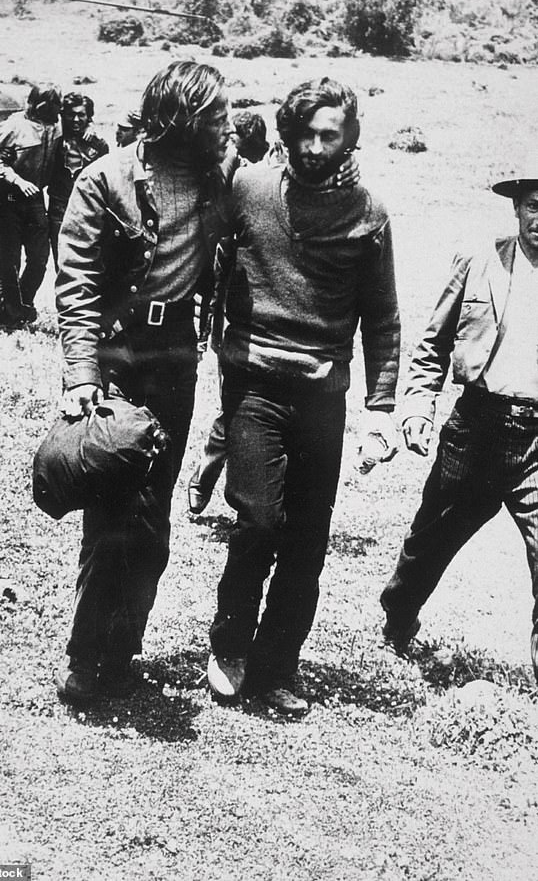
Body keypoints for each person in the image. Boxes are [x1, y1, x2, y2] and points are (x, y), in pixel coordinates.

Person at [207, 77, 401, 715]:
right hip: (254, 383)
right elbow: (202, 257)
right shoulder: (248, 187)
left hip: (323, 394)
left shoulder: (369, 213)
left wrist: (379, 408)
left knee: (308, 538)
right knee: (259, 519)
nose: (318, 147)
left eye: (332, 134)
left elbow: (382, 317)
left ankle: (278, 667)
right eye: (307, 133)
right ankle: (230, 643)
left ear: (349, 139)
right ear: (287, 133)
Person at [53, 61, 235, 702]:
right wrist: (81, 372)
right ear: (180, 122)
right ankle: (85, 659)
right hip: (115, 360)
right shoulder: (104, 181)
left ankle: (123, 649)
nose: (227, 126)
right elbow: (75, 284)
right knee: (111, 510)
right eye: (215, 116)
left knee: (152, 514)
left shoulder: (222, 178)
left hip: (174, 360)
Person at [380, 168, 538, 684]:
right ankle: (398, 617)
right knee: (433, 538)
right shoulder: (479, 260)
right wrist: (418, 408)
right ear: (516, 208)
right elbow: (432, 345)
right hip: (478, 427)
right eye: (534, 205)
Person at [187, 110, 270, 515]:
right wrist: (209, 331)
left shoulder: (269, 179)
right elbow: (216, 272)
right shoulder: (222, 180)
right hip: (233, 317)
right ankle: (205, 476)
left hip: (272, 319)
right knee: (233, 405)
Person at [0, 83, 62, 328]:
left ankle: (21, 305)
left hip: (35, 199)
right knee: (10, 262)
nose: (56, 112)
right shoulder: (13, 125)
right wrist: (16, 180)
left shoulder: (56, 125)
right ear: (37, 105)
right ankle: (7, 316)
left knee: (39, 259)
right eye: (51, 107)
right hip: (10, 198)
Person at [48, 92, 109, 267]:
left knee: (89, 265)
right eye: (71, 114)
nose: (75, 119)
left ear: (89, 117)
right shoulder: (55, 140)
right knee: (62, 264)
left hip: (89, 213)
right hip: (59, 211)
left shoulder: (98, 144)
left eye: (81, 115)